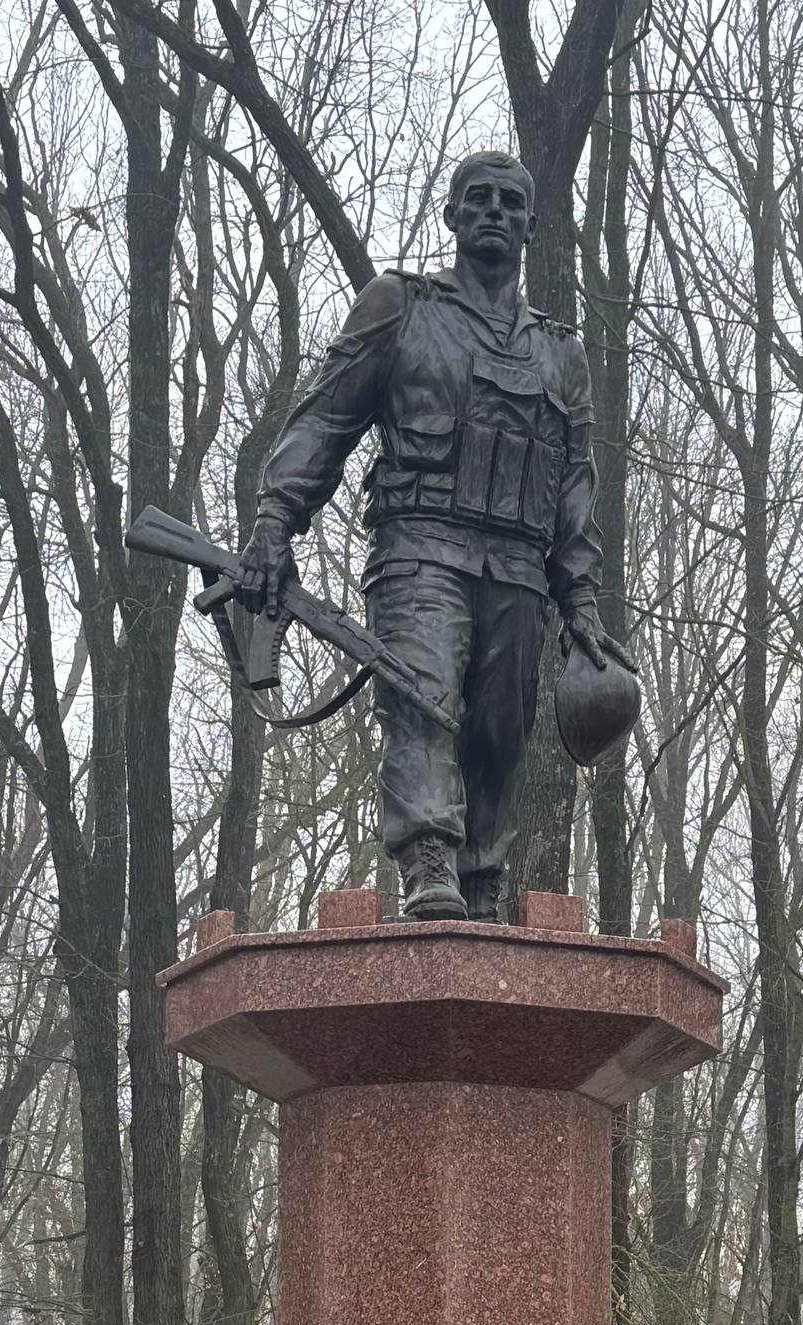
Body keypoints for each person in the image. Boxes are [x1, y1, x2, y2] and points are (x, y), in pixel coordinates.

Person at [231, 150, 630, 924]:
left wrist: (580, 599)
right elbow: (326, 418)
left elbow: (574, 486)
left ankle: (480, 882)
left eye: (510, 202)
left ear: (531, 226)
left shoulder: (561, 353)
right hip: (420, 550)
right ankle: (428, 859)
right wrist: (275, 522)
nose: (494, 211)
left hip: (518, 567)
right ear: (451, 215)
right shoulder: (401, 306)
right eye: (478, 199)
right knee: (423, 703)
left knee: (500, 735)